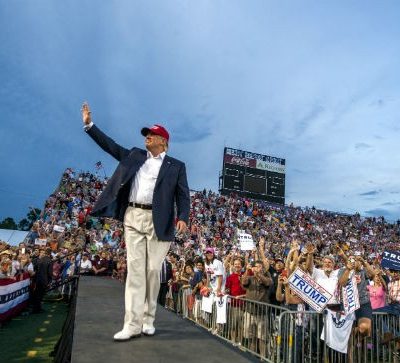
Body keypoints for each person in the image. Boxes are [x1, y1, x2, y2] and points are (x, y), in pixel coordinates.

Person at [81, 102, 190, 341]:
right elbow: (110, 146)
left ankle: (149, 317)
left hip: (159, 220)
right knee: (135, 271)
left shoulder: (176, 166)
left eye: (152, 135)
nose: (147, 138)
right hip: (132, 216)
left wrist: (183, 217)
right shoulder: (134, 155)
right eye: (146, 135)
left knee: (152, 270)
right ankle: (132, 324)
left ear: (164, 141)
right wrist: (90, 125)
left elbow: (183, 195)